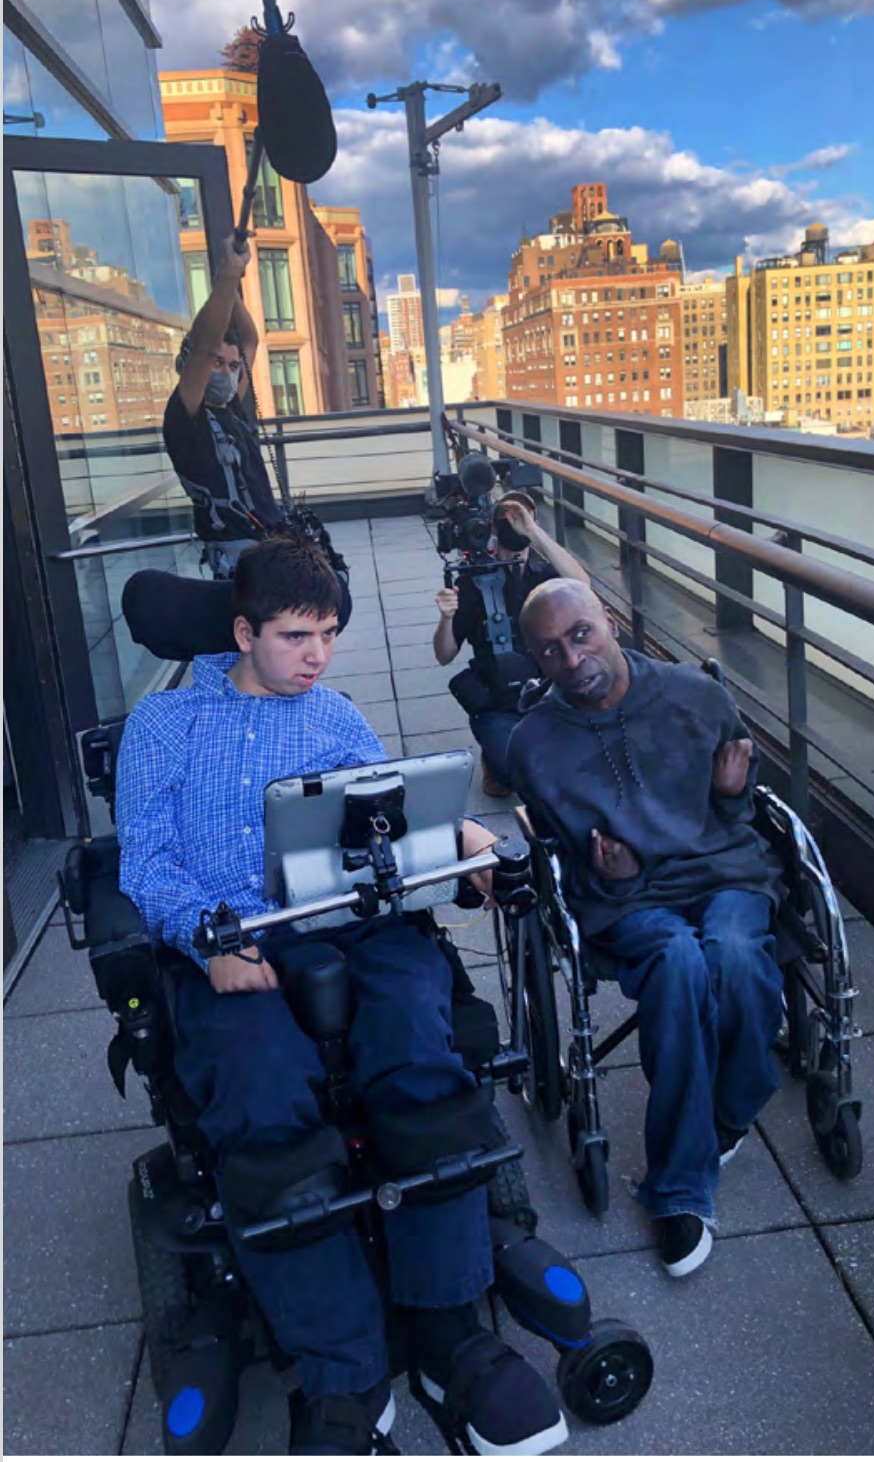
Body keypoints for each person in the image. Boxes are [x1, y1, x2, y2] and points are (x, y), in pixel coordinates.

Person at [116, 537, 567, 1457]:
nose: (315, 656)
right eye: (293, 636)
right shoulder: (166, 727)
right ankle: (343, 1370)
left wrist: (466, 846)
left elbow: (393, 818)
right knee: (261, 1090)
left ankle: (449, 1335)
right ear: (243, 632)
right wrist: (208, 941)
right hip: (230, 935)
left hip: (349, 920)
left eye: (326, 634)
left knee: (420, 1044)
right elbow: (145, 861)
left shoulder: (334, 714)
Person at [507, 579, 783, 1280]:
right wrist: (620, 877)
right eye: (550, 652)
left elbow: (744, 812)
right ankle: (680, 1189)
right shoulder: (535, 744)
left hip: (723, 874)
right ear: (534, 661)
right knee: (681, 961)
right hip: (629, 904)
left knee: (735, 954)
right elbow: (561, 870)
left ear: (607, 616)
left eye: (580, 635)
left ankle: (730, 1107)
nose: (571, 661)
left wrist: (728, 795)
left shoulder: (697, 694)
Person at [432, 490, 590, 798]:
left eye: (522, 516)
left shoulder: (545, 577)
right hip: (498, 700)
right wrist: (445, 619)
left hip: (550, 694)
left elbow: (582, 586)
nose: (514, 523)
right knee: (517, 773)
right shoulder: (473, 581)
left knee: (579, 761)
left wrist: (533, 533)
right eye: (506, 518)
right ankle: (497, 758)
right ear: (492, 527)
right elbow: (444, 654)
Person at [163, 234, 282, 579]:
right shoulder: (188, 417)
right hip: (236, 559)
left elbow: (249, 340)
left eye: (233, 367)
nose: (227, 373)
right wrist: (226, 279)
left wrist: (232, 281)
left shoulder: (229, 407)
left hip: (265, 545)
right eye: (218, 364)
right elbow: (204, 345)